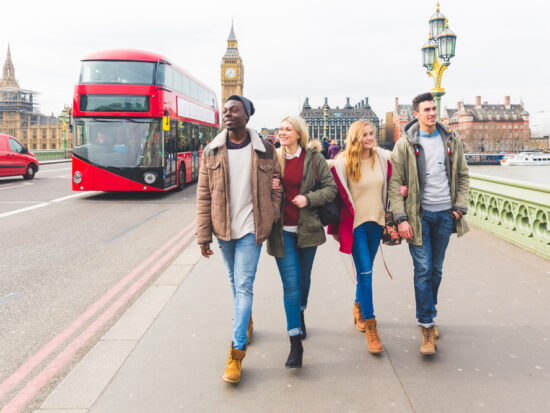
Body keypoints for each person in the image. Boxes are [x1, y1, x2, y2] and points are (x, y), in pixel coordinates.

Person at [196, 95, 282, 383]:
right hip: (223, 230)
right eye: (226, 110)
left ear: (247, 116)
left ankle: (236, 354)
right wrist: (203, 235)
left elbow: (276, 189)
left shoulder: (266, 150)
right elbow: (204, 195)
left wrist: (271, 215)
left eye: (234, 110)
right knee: (235, 282)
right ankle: (246, 322)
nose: (227, 114)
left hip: (251, 230)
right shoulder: (212, 151)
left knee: (244, 286)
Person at [388, 92, 470, 355]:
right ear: (416, 114)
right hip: (419, 217)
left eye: (434, 109)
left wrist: (458, 209)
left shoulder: (451, 140)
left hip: (445, 214)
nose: (432, 113)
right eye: (426, 110)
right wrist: (401, 218)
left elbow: (463, 176)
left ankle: (429, 313)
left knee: (436, 270)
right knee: (423, 270)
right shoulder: (405, 145)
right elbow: (394, 184)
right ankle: (426, 326)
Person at [267, 116, 337, 368]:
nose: (282, 132)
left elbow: (331, 189)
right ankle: (295, 343)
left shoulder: (315, 159)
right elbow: (260, 188)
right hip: (282, 230)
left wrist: (308, 199)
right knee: (291, 284)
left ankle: (301, 311)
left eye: (288, 129)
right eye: (281, 128)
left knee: (304, 280)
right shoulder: (273, 158)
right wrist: (269, 185)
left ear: (299, 133)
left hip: (307, 229)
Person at [327, 120, 398, 354]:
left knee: (365, 274)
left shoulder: (382, 159)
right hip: (356, 226)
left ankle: (358, 306)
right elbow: (334, 193)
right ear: (356, 138)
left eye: (372, 134)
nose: (370, 138)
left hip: (377, 223)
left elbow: (398, 172)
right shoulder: (344, 163)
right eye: (365, 134)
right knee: (366, 272)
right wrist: (336, 229)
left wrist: (402, 190)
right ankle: (371, 327)